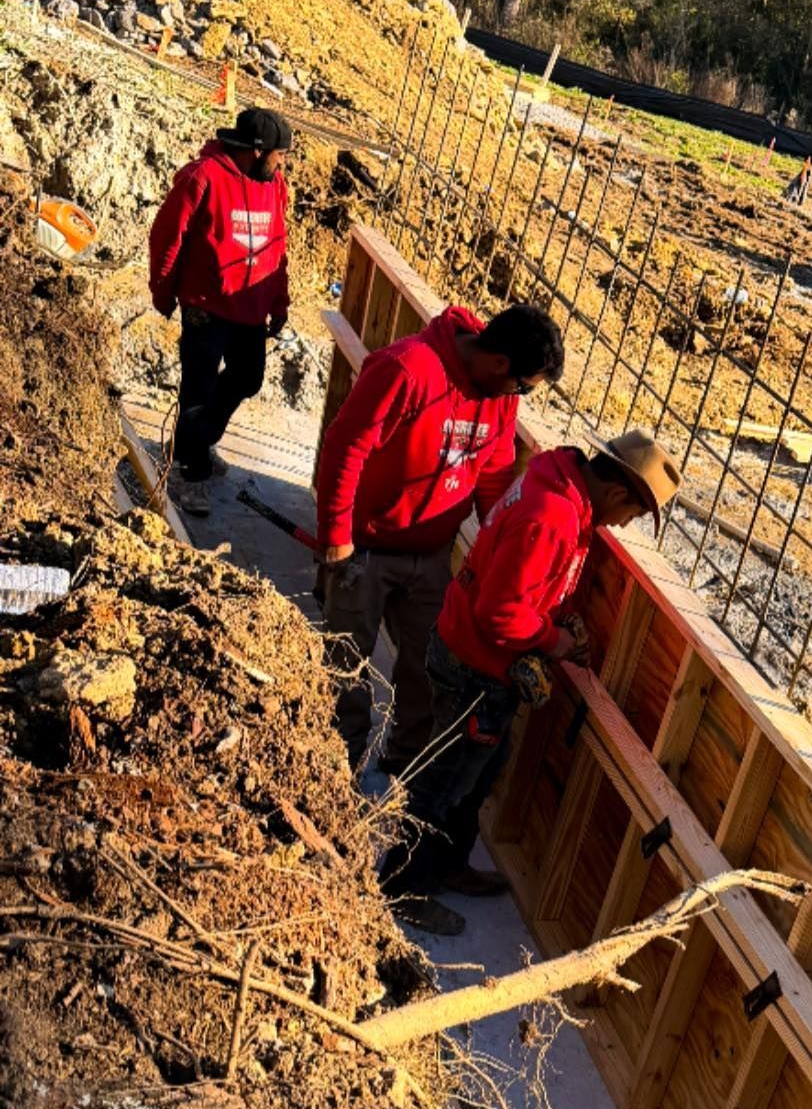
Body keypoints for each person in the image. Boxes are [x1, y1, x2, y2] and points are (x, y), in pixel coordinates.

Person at [381, 429, 682, 935]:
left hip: (477, 659)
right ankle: (404, 887)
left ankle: (448, 865)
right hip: (474, 667)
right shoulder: (554, 517)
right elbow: (499, 612)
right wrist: (553, 640)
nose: (624, 526)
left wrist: (553, 617)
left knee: (479, 773)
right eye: (630, 515)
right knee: (446, 784)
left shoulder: (559, 489)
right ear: (615, 494)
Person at [315, 303, 564, 776]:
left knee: (425, 671)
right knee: (345, 666)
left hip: (430, 556)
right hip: (367, 548)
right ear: (499, 363)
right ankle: (334, 768)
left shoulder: (500, 398)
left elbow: (492, 474)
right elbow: (346, 446)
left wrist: (502, 552)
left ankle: (400, 767)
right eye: (523, 387)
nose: (520, 397)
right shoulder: (407, 368)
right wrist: (336, 535)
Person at [149, 108, 292, 518]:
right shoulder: (203, 177)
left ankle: (197, 440)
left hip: (249, 310)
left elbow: (277, 248)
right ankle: (189, 475)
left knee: (248, 378)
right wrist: (164, 292)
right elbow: (167, 236)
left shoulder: (273, 184)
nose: (282, 163)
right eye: (279, 155)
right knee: (197, 390)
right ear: (258, 150)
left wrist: (278, 303)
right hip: (205, 308)